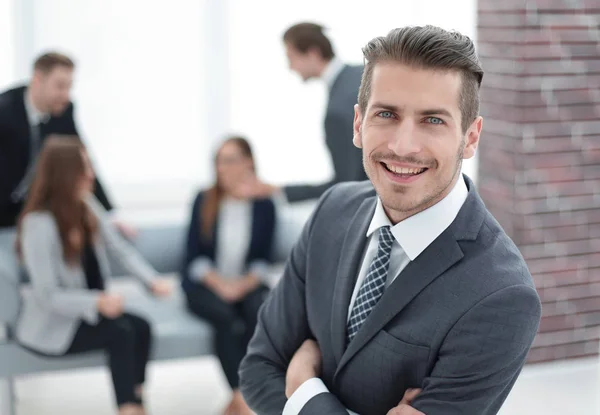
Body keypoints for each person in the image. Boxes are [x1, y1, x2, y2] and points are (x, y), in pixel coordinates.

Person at [239, 25, 542, 415]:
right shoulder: (332, 211)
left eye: (433, 120)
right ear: (358, 124)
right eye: (386, 114)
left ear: (470, 137)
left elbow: (282, 381)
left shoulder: (502, 295)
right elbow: (259, 368)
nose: (402, 146)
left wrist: (305, 394)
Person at [15, 136, 172, 415]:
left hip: (89, 312)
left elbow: (119, 250)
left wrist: (151, 281)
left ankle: (136, 400)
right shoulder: (38, 223)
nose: (90, 175)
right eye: (83, 167)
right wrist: (97, 302)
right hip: (56, 324)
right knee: (121, 333)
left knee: (142, 327)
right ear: (64, 173)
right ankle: (128, 408)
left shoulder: (86, 205)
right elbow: (47, 295)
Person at [181, 136, 276, 415]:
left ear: (249, 162)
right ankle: (241, 397)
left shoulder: (264, 204)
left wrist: (243, 285)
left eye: (230, 160)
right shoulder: (204, 199)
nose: (223, 168)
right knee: (227, 319)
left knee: (258, 312)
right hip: (207, 283)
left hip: (245, 284)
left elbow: (263, 258)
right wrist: (221, 285)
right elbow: (192, 258)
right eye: (219, 161)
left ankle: (242, 399)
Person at [238, 22, 366, 202]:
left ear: (313, 54)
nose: (290, 67)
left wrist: (278, 191)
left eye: (291, 57)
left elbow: (348, 186)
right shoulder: (362, 73)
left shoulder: (337, 109)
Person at [0, 52, 124, 232]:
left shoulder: (63, 112)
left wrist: (110, 212)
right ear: (37, 80)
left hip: (28, 215)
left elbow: (81, 161)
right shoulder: (5, 111)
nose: (66, 95)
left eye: (69, 86)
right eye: (60, 86)